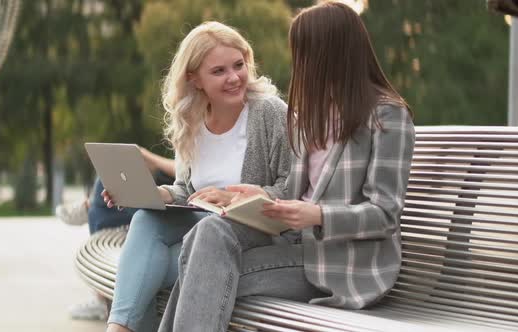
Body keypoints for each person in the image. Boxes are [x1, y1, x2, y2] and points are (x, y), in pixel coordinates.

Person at [157, 2, 415, 331]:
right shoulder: (316, 113)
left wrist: (318, 215)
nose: (299, 63)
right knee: (208, 234)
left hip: (342, 264)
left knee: (203, 267)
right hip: (293, 246)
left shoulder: (387, 117)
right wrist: (257, 195)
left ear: (331, 53)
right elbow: (295, 192)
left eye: (304, 52)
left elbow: (385, 214)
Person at [104, 21, 291, 332]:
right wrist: (154, 195)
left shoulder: (269, 113)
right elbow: (186, 191)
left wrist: (234, 198)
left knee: (146, 271)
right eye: (219, 71)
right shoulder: (191, 122)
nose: (234, 78)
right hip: (199, 229)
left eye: (238, 65)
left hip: (246, 237)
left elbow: (292, 189)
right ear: (195, 79)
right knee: (145, 220)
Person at [56, 148, 176, 321]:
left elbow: (186, 170)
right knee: (109, 173)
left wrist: (149, 158)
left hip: (181, 196)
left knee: (109, 189)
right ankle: (91, 208)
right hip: (173, 188)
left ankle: (89, 208)